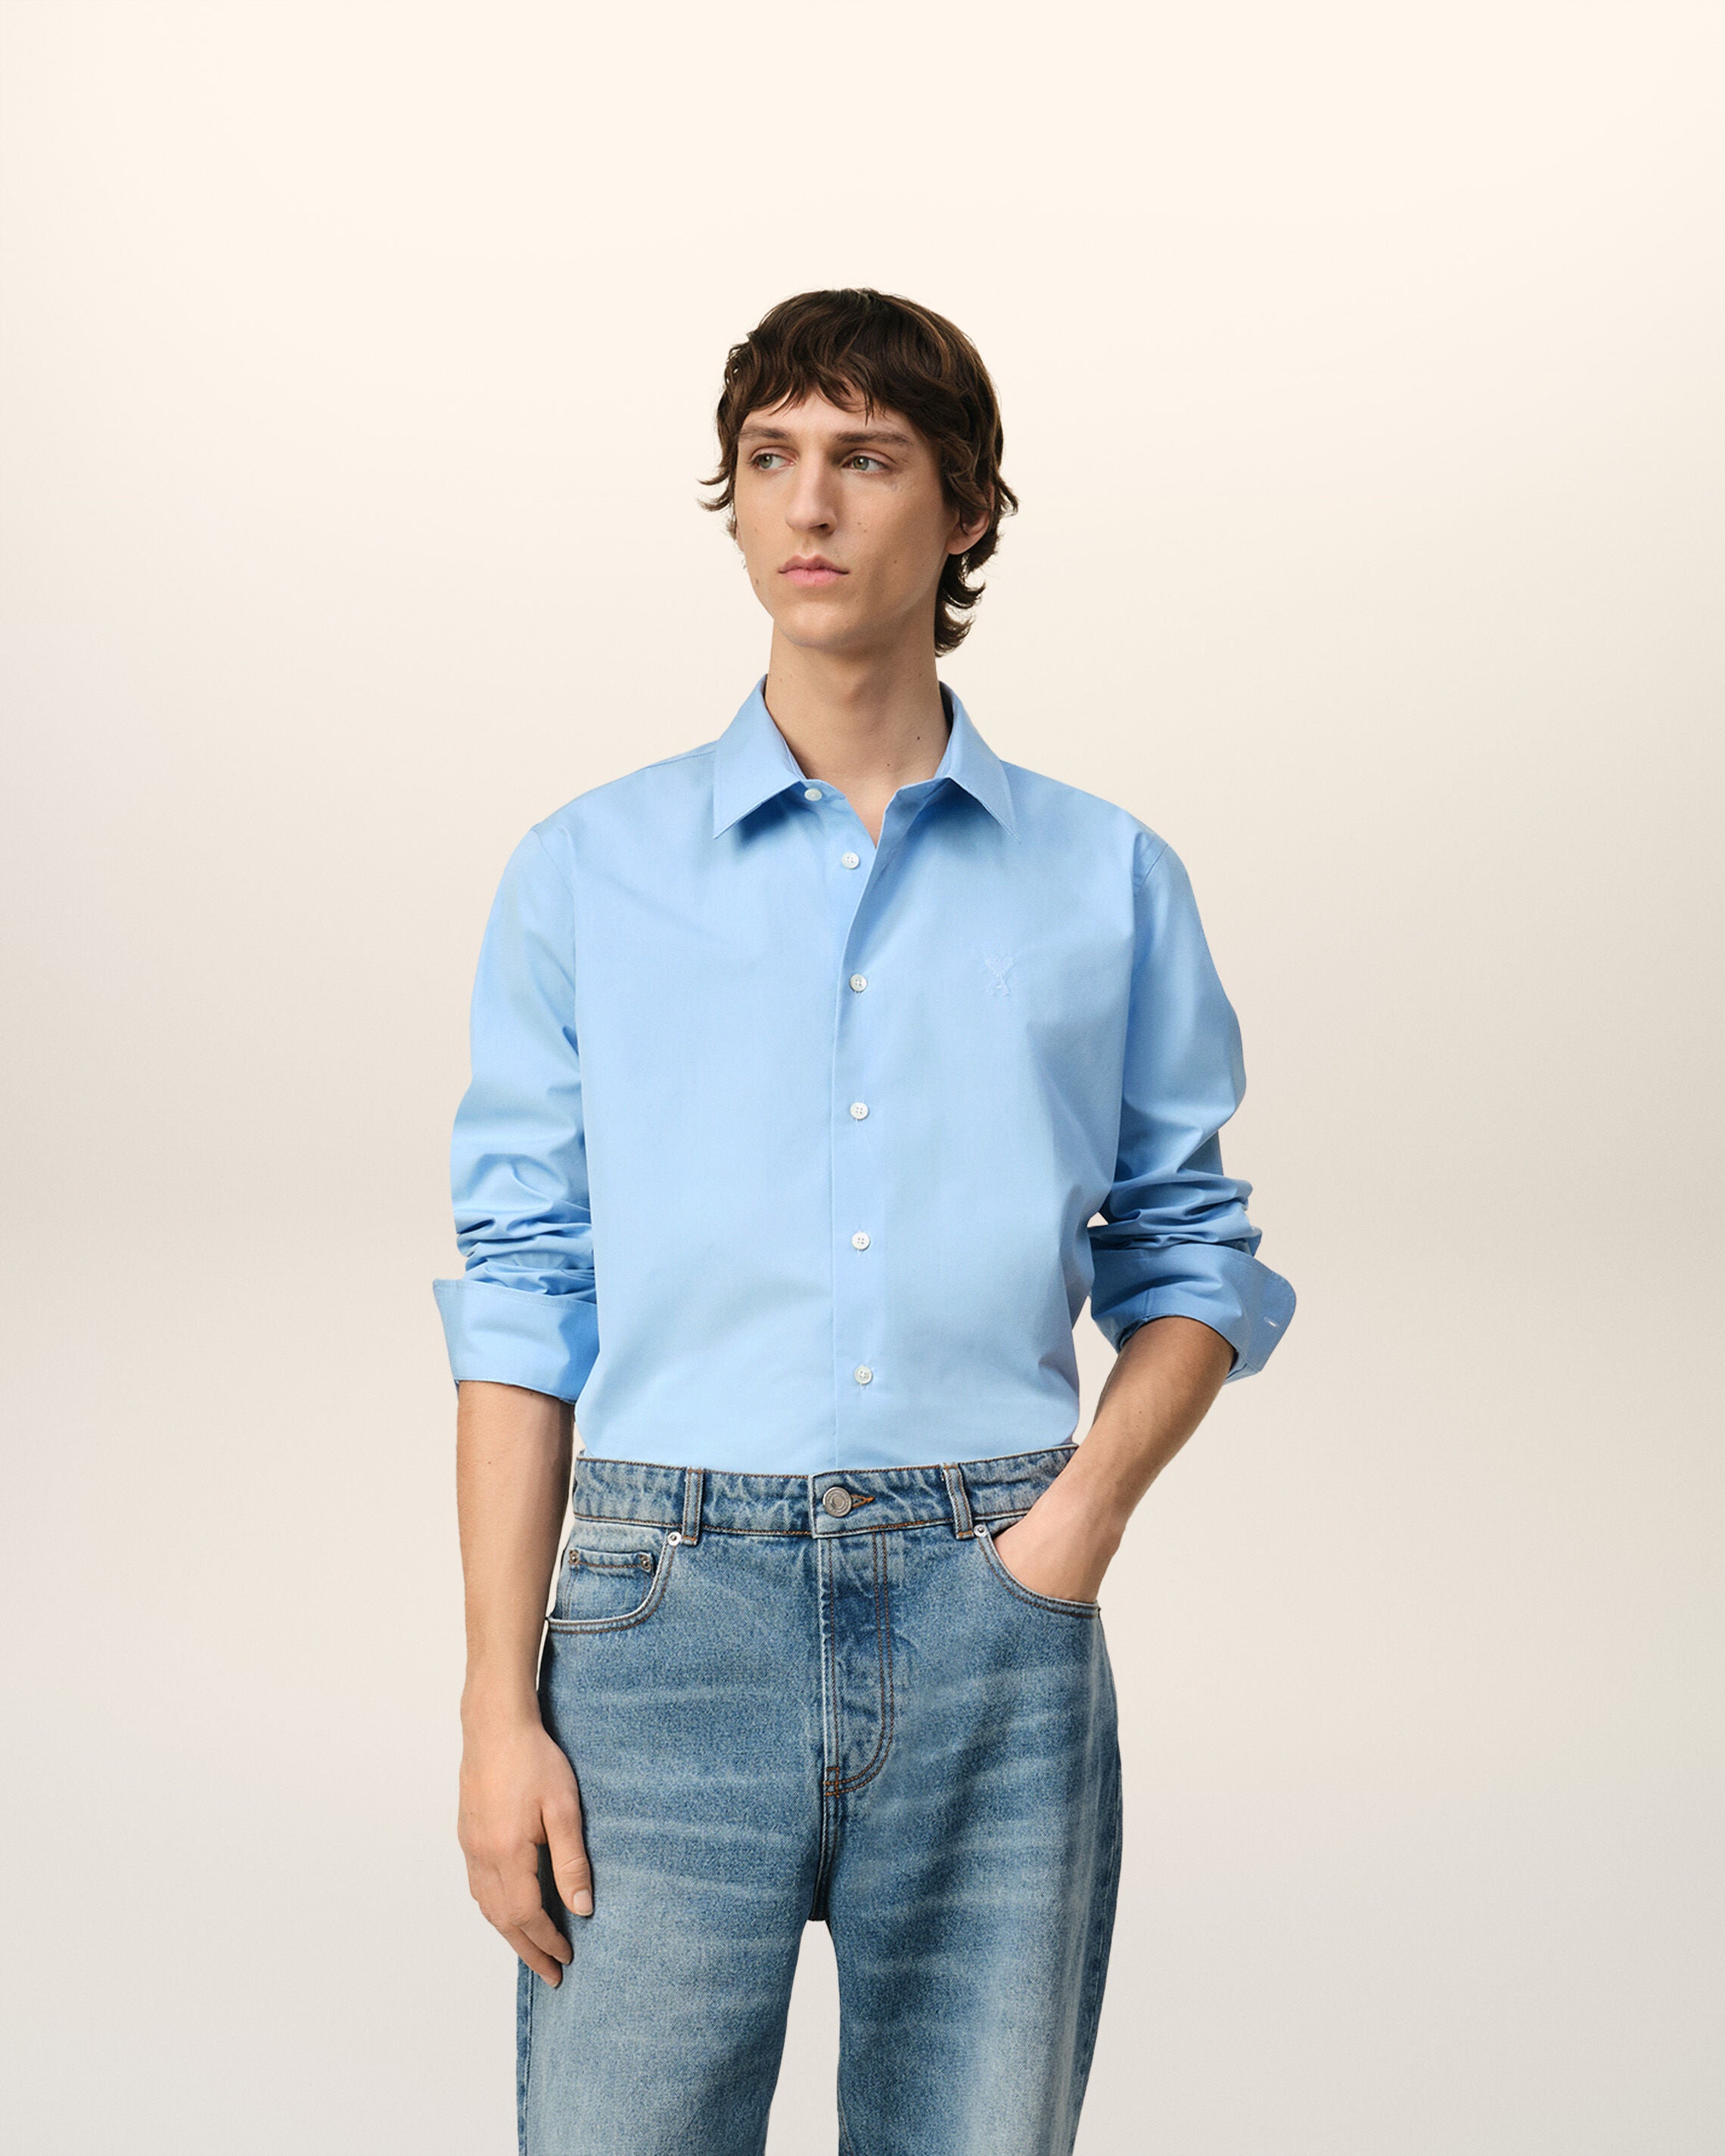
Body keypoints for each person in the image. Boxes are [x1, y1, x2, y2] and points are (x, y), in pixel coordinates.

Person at [433, 287, 1296, 2156]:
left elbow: (1193, 1255)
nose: (808, 504)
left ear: (967, 509)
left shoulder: (1106, 877)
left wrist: (1074, 1528)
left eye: (867, 459)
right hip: (661, 1616)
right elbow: (523, 1291)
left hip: (996, 1607)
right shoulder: (587, 872)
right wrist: (499, 1710)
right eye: (770, 459)